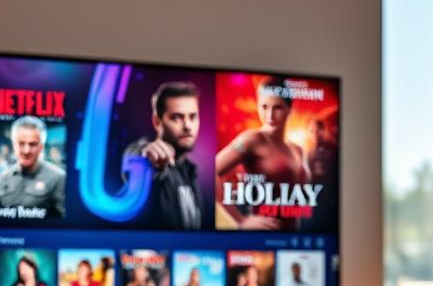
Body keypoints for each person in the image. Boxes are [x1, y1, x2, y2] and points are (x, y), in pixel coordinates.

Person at [215, 77, 311, 230]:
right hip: (262, 240)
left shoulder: (297, 150)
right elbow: (210, 170)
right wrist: (240, 220)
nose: (270, 115)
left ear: (289, 108)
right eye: (264, 107)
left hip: (295, 242)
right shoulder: (252, 139)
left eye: (277, 107)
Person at [123, 82, 204, 229]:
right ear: (157, 122)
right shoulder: (149, 161)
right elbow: (137, 155)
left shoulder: (189, 170)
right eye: (177, 117)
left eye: (193, 117)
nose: (187, 126)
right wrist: (145, 154)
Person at [0, 116, 66, 217]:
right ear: (14, 145)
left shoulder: (58, 178)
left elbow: (65, 224)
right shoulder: (3, 177)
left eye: (32, 144)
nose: (26, 151)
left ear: (41, 146)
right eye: (21, 143)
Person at [300, 115, 339, 234]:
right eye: (311, 131)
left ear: (323, 131)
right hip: (309, 203)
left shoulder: (332, 150)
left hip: (327, 202)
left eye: (318, 130)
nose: (315, 134)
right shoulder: (305, 152)